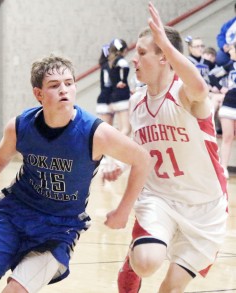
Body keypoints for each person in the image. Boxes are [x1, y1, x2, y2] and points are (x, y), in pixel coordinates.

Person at [0, 54, 151, 293]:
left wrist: (123, 210)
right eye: (54, 85)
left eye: (69, 83)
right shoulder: (20, 126)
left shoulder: (95, 133)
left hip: (60, 226)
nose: (64, 90)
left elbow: (142, 159)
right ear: (38, 94)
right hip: (13, 212)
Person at [103, 3, 228, 293]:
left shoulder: (185, 95)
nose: (135, 60)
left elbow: (198, 85)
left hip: (206, 207)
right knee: (147, 262)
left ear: (164, 57)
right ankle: (133, 260)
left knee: (170, 289)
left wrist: (169, 47)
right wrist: (118, 165)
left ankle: (139, 254)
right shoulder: (137, 101)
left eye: (143, 53)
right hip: (159, 199)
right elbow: (140, 148)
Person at [209, 42, 236, 179]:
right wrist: (220, 88)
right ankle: (223, 168)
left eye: (231, 50)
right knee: (227, 137)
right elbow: (213, 76)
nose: (229, 52)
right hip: (229, 103)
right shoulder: (229, 65)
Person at [96, 43, 114, 125]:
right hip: (105, 101)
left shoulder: (106, 66)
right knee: (107, 128)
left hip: (105, 100)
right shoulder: (106, 66)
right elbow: (107, 85)